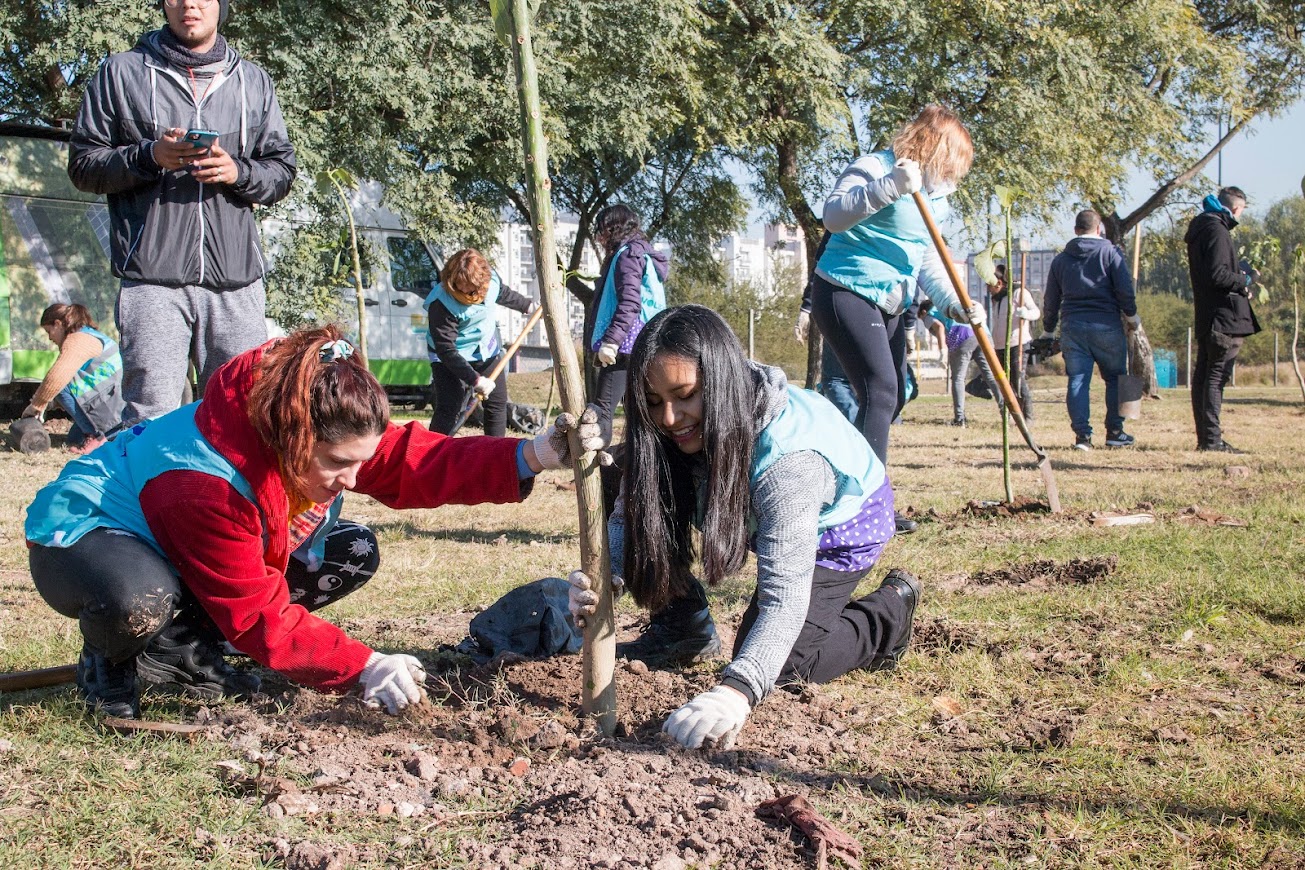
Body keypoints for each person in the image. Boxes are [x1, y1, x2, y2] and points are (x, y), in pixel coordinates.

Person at [25, 325, 599, 720]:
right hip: (87, 535)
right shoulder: (201, 483)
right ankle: (110, 664)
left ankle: (182, 650)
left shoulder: (314, 421)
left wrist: (532, 455)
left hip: (190, 551)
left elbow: (411, 460)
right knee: (137, 599)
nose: (354, 480)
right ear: (291, 437)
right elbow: (257, 613)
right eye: (337, 464)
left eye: (359, 461)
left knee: (349, 552)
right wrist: (363, 665)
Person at [568, 306, 919, 750]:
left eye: (686, 395)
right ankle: (683, 628)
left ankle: (887, 616)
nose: (671, 418)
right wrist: (605, 577)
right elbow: (628, 515)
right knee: (624, 469)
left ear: (719, 380)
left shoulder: (790, 466)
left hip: (840, 528)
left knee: (784, 664)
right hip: (748, 493)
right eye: (654, 403)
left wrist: (739, 690)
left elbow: (784, 596)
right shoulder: (676, 430)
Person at [67, 0, 297, 426]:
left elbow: (282, 172)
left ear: (221, 6)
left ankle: (228, 496)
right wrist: (150, 155)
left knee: (241, 415)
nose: (190, 4)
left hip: (236, 281)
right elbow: (83, 164)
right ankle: (152, 493)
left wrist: (237, 170)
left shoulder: (253, 81)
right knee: (150, 418)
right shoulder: (120, 73)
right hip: (152, 279)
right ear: (163, 5)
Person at [807, 104, 983, 532]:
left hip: (890, 300)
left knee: (894, 394)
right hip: (846, 288)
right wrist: (890, 187)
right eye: (952, 163)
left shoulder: (935, 196)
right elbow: (833, 215)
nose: (953, 175)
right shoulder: (875, 167)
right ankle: (869, 505)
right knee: (880, 391)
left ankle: (840, 484)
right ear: (934, 146)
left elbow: (927, 259)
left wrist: (954, 305)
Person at [1042, 209, 1139, 451]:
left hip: (1072, 327)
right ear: (1099, 229)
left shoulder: (1061, 260)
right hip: (1106, 324)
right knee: (1116, 379)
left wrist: (1047, 330)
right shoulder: (1110, 253)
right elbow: (1125, 289)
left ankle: (1082, 438)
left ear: (1075, 230)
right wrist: (1131, 315)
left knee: (1077, 381)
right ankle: (1115, 432)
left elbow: (1051, 299)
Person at [425, 248, 537, 437]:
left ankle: (493, 454)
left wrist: (527, 306)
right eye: (460, 287)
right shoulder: (440, 303)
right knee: (450, 405)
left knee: (497, 402)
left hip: (486, 349)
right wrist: (475, 380)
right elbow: (446, 349)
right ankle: (433, 453)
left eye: (470, 289)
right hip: (450, 356)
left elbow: (502, 293)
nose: (465, 292)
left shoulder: (491, 280)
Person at [585, 204, 669, 446]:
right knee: (640, 414)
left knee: (601, 410)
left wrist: (611, 341)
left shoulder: (628, 256)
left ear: (613, 229)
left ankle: (594, 480)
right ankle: (629, 475)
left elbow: (630, 303)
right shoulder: (641, 254)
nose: (599, 237)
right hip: (646, 341)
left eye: (601, 230)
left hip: (625, 346)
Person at [1185, 187, 1260, 453]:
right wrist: (1245, 279)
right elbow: (1218, 275)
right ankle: (1212, 441)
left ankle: (1207, 439)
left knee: (1204, 378)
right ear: (1237, 208)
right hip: (1223, 317)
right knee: (1215, 378)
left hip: (1209, 315)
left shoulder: (1202, 228)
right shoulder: (1216, 230)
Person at [20, 304, 125, 454]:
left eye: (49, 331)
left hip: (115, 412)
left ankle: (96, 437)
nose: (50, 338)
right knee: (73, 439)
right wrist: (51, 404)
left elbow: (57, 378)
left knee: (60, 383)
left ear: (58, 324)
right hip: (119, 405)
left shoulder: (77, 340)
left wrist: (37, 405)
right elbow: (88, 382)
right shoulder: (90, 335)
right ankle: (99, 434)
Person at [989, 265, 1040, 421]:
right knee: (1004, 383)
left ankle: (1028, 417)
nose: (988, 288)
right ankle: (1012, 415)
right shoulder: (996, 300)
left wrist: (1025, 313)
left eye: (989, 284)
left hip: (1018, 343)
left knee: (1018, 379)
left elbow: (1036, 312)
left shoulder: (1019, 292)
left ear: (999, 282)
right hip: (999, 346)